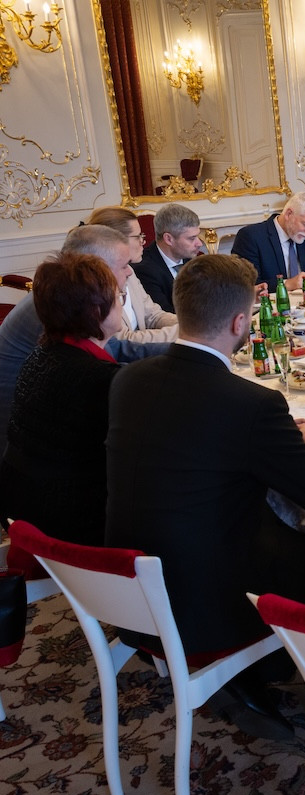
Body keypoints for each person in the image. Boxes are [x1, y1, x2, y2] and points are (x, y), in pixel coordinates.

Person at [106, 253, 305, 740]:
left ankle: (264, 669)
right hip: (203, 605)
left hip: (126, 590)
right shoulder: (251, 403)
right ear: (241, 322)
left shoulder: (128, 378)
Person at [0, 225, 170, 457]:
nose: (130, 272)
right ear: (94, 268)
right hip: (19, 426)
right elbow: (118, 352)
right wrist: (188, 350)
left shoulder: (65, 296)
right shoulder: (66, 304)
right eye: (123, 265)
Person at [0, 253, 124, 571]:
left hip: (24, 509)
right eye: (119, 296)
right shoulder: (99, 377)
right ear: (96, 311)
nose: (122, 303)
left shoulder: (42, 354)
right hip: (70, 526)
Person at [86, 206, 179, 341]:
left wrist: (192, 325)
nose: (143, 241)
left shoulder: (130, 271)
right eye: (138, 236)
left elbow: (153, 316)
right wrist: (183, 333)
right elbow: (121, 341)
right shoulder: (94, 285)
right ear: (116, 241)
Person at [133, 203, 204, 312]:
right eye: (191, 238)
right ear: (168, 239)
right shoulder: (144, 270)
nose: (199, 244)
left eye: (198, 236)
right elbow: (163, 314)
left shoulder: (194, 259)